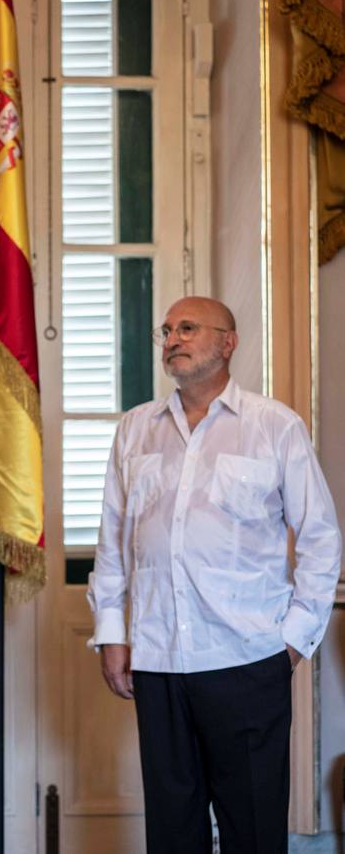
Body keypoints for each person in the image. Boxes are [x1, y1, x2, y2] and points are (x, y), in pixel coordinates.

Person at [88, 295, 341, 854]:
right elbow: (113, 543)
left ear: (228, 342)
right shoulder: (135, 430)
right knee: (173, 832)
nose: (173, 338)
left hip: (249, 660)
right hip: (158, 662)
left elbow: (322, 539)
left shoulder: (275, 426)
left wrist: (293, 642)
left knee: (253, 827)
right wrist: (112, 634)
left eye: (188, 328)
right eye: (167, 331)